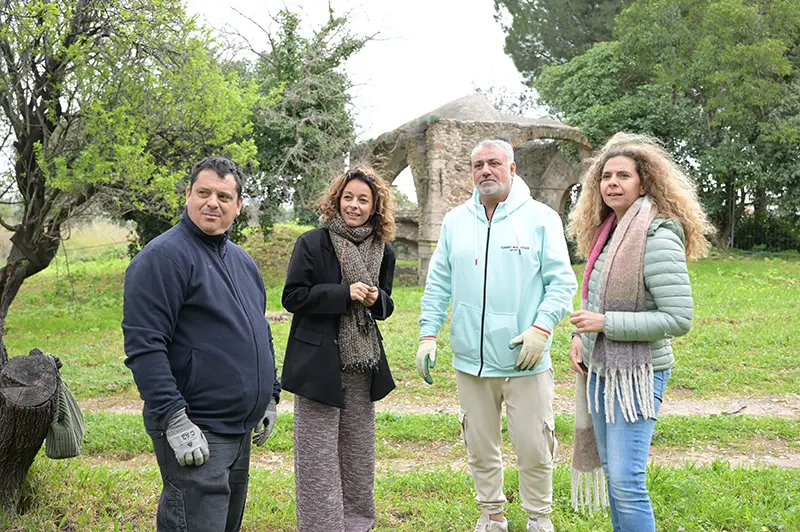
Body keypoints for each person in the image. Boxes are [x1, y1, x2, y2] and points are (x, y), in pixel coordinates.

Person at [416, 139, 577, 532]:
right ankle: (492, 515)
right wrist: (427, 333)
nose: (485, 171)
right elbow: (438, 283)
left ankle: (539, 518)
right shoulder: (456, 221)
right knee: (480, 446)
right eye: (477, 165)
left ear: (512, 168)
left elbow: (561, 283)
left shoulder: (541, 218)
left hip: (526, 359)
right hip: (472, 360)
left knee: (535, 447)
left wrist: (542, 329)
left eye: (493, 164)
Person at [122, 156, 281, 532]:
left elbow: (260, 331)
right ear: (188, 195)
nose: (213, 203)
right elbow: (145, 346)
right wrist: (174, 419)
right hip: (196, 428)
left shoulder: (242, 261)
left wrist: (269, 394)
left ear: (238, 206)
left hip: (239, 431)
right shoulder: (162, 258)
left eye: (224, 196)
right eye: (204, 192)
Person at [567, 133, 713, 532]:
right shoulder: (607, 232)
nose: (612, 183)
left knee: (627, 481)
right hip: (601, 369)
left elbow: (678, 318)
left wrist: (605, 324)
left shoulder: (657, 235)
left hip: (638, 374)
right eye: (606, 176)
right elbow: (594, 301)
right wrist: (581, 338)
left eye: (623, 176)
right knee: (615, 476)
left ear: (644, 183)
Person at [281, 166, 397, 532]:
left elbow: (387, 304)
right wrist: (343, 294)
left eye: (363, 199)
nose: (354, 205)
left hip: (362, 365)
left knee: (357, 455)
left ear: (375, 206)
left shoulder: (384, 250)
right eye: (348, 197)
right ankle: (321, 526)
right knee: (317, 459)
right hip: (318, 366)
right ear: (336, 200)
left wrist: (378, 298)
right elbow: (293, 297)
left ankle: (358, 524)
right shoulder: (313, 242)